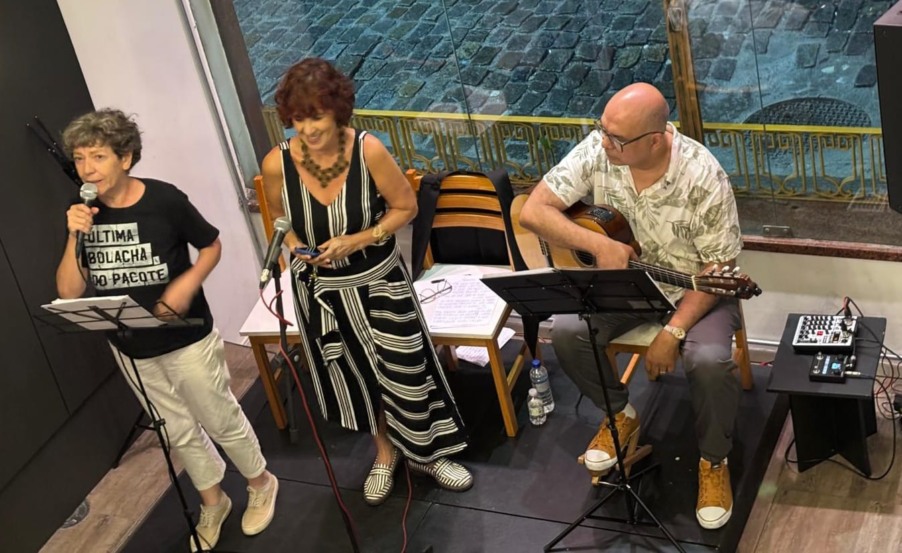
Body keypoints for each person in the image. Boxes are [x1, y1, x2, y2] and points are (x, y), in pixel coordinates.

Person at [519, 83, 743, 530]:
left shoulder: (703, 175)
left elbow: (719, 267)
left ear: (655, 140)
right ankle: (620, 414)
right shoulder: (600, 148)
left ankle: (714, 460)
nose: (604, 142)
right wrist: (596, 246)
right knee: (568, 332)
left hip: (694, 292)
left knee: (710, 360)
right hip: (623, 287)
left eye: (616, 138)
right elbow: (533, 211)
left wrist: (673, 331)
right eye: (602, 130)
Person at [55, 109, 278, 551]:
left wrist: (186, 284)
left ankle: (261, 482)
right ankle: (213, 501)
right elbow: (68, 290)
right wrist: (73, 235)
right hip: (130, 347)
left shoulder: (164, 200)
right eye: (79, 159)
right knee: (176, 430)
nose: (87, 169)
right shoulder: (83, 214)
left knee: (218, 418)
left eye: (97, 157)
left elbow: (211, 245)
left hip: (185, 339)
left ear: (125, 158)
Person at [260, 58, 473, 506]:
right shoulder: (277, 162)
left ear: (338, 111)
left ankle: (429, 453)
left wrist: (358, 239)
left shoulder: (368, 150)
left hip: (379, 283)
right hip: (321, 293)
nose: (308, 129)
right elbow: (279, 220)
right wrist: (296, 247)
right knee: (354, 375)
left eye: (317, 117)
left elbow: (406, 208)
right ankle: (385, 453)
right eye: (298, 119)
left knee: (406, 369)